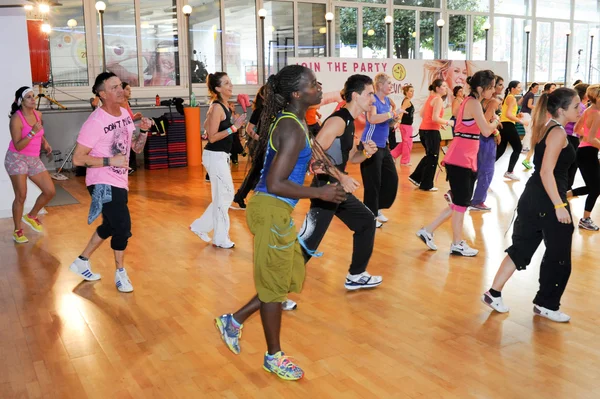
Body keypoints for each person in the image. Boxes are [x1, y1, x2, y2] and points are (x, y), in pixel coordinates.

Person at [214, 65, 346, 381]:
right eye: (313, 85)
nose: (318, 87)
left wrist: (309, 166)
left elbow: (285, 168)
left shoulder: (295, 121)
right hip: (271, 208)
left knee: (284, 278)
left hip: (276, 210)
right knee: (274, 287)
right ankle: (274, 356)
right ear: (297, 94)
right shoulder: (292, 127)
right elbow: (274, 183)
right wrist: (321, 192)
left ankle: (234, 320)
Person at [481, 87, 580, 322]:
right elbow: (547, 172)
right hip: (547, 199)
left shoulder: (548, 127)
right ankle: (546, 304)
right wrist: (559, 206)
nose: (579, 109)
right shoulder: (557, 133)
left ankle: (493, 292)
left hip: (534, 197)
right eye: (576, 106)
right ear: (561, 109)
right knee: (559, 254)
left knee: (522, 248)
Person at [69, 72, 152, 292]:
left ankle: (82, 260)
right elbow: (78, 158)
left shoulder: (124, 113)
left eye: (120, 86)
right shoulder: (95, 122)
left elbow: (135, 148)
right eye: (114, 87)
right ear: (103, 94)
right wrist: (109, 160)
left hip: (120, 179)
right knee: (122, 227)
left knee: (110, 224)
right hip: (101, 181)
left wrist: (142, 131)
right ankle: (120, 273)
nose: (120, 90)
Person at [298, 74, 383, 290]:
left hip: (336, 187)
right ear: (355, 95)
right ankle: (275, 290)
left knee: (366, 220)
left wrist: (365, 152)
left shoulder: (350, 123)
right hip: (325, 188)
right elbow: (314, 156)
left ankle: (356, 274)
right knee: (307, 242)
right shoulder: (337, 120)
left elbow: (351, 157)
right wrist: (342, 177)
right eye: (370, 94)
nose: (373, 99)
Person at [416, 71, 500, 256]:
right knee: (461, 203)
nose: (493, 91)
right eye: (492, 86)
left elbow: (478, 126)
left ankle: (428, 230)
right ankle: (456, 243)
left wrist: (489, 122)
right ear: (481, 87)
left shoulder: (470, 102)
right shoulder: (473, 102)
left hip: (464, 156)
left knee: (458, 202)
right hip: (461, 157)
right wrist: (495, 122)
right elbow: (486, 131)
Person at [189, 73, 246, 248]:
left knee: (223, 196)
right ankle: (220, 237)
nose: (231, 85)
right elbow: (212, 137)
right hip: (215, 156)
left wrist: (232, 125)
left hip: (220, 156)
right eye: (226, 83)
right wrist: (234, 128)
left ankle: (200, 226)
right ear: (217, 89)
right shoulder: (217, 108)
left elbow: (207, 126)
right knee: (226, 195)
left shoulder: (223, 106)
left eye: (230, 82)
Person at [5, 86, 56, 244]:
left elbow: (39, 133)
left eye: (33, 96)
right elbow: (19, 145)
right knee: (21, 196)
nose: (33, 99)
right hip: (17, 158)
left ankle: (31, 215)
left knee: (50, 191)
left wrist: (45, 143)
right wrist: (32, 132)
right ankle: (17, 230)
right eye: (29, 97)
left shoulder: (38, 114)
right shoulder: (16, 119)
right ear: (21, 101)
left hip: (33, 158)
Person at [360, 73, 400, 226]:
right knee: (373, 182)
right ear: (380, 85)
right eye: (389, 83)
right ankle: (370, 214)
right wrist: (392, 113)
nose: (391, 86)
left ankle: (376, 208)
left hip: (383, 146)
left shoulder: (388, 101)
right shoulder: (373, 100)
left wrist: (394, 120)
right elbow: (373, 119)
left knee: (391, 179)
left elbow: (386, 123)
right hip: (370, 145)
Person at [409, 79, 454, 191]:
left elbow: (423, 114)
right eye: (443, 86)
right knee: (432, 157)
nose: (446, 88)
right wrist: (448, 122)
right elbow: (434, 117)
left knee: (430, 156)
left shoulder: (431, 97)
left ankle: (417, 178)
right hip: (431, 132)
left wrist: (439, 124)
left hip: (424, 131)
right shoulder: (438, 99)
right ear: (437, 88)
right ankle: (426, 184)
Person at [569, 84, 600, 231]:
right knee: (596, 188)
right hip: (587, 153)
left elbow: (577, 130)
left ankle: (564, 196)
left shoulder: (589, 110)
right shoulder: (596, 113)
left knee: (592, 186)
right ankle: (585, 219)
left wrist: (590, 138)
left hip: (585, 152)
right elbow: (592, 137)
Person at [470, 75, 504, 211]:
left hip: (481, 138)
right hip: (486, 139)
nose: (502, 87)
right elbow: (484, 122)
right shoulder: (493, 102)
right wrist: (495, 130)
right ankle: (478, 201)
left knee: (477, 169)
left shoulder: (482, 100)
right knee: (486, 171)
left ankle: (460, 195)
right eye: (499, 84)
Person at [232, 85, 265, 210]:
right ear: (262, 95)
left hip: (267, 145)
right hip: (258, 146)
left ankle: (243, 196)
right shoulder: (259, 111)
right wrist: (261, 139)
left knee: (257, 173)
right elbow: (249, 129)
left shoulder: (272, 110)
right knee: (255, 172)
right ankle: (241, 196)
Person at [495, 80, 527, 181]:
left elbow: (507, 114)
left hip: (504, 125)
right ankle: (509, 172)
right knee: (518, 148)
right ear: (512, 88)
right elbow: (508, 115)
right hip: (508, 126)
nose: (520, 89)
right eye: (518, 87)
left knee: (500, 150)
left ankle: (483, 169)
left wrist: (517, 116)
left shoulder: (508, 97)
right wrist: (521, 121)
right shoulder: (511, 98)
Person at [564, 83, 589, 190]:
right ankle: (567, 188)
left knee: (571, 163)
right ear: (586, 94)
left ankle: (566, 187)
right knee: (573, 163)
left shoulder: (580, 106)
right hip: (571, 137)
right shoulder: (582, 107)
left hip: (569, 136)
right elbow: (577, 128)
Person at [390, 84, 415, 165]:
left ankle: (392, 154)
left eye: (413, 91)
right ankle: (404, 161)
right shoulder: (406, 101)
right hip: (405, 125)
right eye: (410, 91)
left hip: (407, 125)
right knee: (407, 143)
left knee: (406, 143)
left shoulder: (408, 100)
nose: (412, 93)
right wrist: (398, 122)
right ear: (406, 92)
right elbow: (401, 111)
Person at [121, 82, 142, 173]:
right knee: (128, 149)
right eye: (127, 89)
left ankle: (130, 167)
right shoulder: (120, 102)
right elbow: (122, 118)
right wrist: (134, 117)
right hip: (123, 130)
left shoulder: (126, 102)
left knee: (132, 149)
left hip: (129, 129)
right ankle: (127, 167)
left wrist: (135, 116)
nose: (130, 91)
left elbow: (129, 117)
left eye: (130, 90)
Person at [520, 82, 539, 168]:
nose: (537, 89)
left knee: (528, 131)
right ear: (532, 87)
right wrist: (539, 108)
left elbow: (519, 102)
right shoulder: (531, 94)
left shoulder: (527, 93)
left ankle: (524, 146)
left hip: (523, 114)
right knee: (529, 132)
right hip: (526, 114)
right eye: (536, 87)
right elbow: (529, 105)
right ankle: (525, 147)